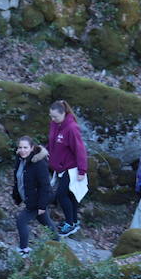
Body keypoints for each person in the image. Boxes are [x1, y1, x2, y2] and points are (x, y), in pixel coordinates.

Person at [46, 100, 87, 238]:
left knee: (61, 195)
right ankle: (74, 221)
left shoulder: (72, 128)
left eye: (55, 117)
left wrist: (82, 170)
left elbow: (80, 149)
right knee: (70, 195)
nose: (53, 119)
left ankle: (70, 223)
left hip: (72, 168)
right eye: (51, 116)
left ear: (64, 113)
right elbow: (52, 142)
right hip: (60, 168)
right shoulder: (54, 124)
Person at [11, 136, 54, 254]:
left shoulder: (39, 163)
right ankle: (58, 242)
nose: (22, 150)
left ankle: (23, 249)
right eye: (20, 147)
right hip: (30, 198)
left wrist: (42, 205)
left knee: (21, 221)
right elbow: (18, 179)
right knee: (45, 221)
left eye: (25, 147)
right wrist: (17, 196)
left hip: (37, 200)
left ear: (32, 148)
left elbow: (45, 186)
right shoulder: (20, 159)